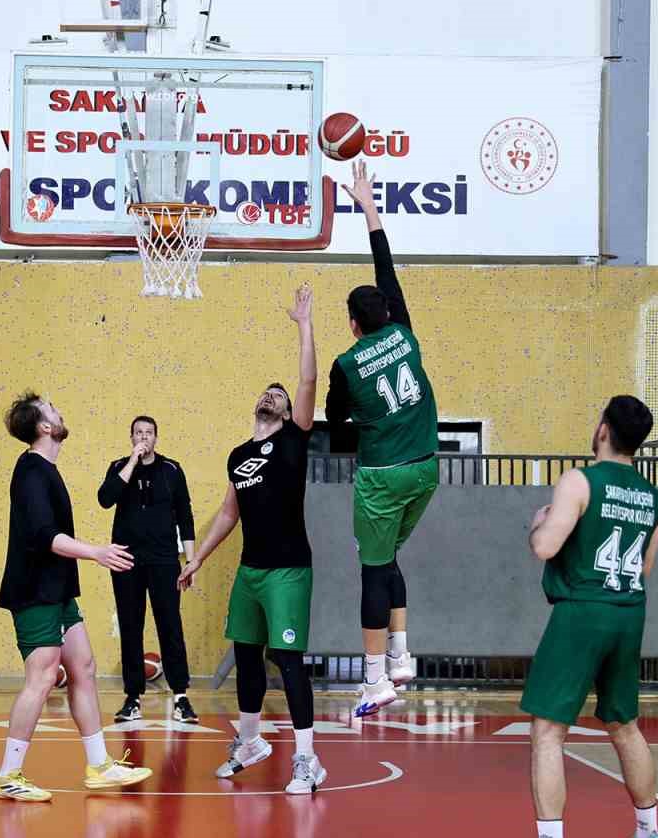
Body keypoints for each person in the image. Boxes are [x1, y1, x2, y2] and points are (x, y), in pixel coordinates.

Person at [504, 396, 658, 838]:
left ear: (602, 430)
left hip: (583, 610)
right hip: (629, 611)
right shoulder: (653, 497)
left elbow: (545, 546)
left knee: (548, 731)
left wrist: (540, 520)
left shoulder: (580, 480)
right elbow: (645, 569)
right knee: (625, 726)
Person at [179, 285, 325, 794]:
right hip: (251, 570)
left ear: (289, 412)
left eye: (280, 397)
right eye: (268, 393)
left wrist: (303, 325)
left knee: (287, 662)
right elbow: (227, 513)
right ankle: (249, 742)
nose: (273, 395)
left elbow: (307, 378)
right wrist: (196, 559)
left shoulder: (295, 437)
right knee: (245, 656)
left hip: (289, 570)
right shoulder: (238, 454)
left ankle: (307, 760)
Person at [0, 392, 153, 802]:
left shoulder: (47, 470)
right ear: (44, 427)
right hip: (34, 591)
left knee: (83, 666)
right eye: (51, 410)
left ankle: (98, 764)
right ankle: (7, 775)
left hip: (59, 590)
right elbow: (46, 538)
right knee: (42, 678)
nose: (59, 411)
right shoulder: (30, 470)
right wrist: (97, 552)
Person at [325, 159, 441, 719]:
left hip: (382, 475)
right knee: (389, 554)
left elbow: (333, 421)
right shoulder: (405, 332)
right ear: (387, 313)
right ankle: (401, 655)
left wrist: (361, 426)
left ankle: (374, 680)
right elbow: (386, 266)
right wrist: (368, 204)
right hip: (427, 469)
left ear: (351, 323)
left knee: (371, 568)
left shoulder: (346, 365)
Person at [98, 415, 198, 724]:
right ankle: (132, 698)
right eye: (138, 433)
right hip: (126, 560)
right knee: (131, 627)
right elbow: (105, 499)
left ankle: (180, 696)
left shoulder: (171, 470)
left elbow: (185, 515)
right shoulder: (118, 467)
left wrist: (191, 561)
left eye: (149, 433)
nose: (144, 437)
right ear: (131, 438)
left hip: (165, 560)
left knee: (170, 625)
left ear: (157, 437)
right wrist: (131, 462)